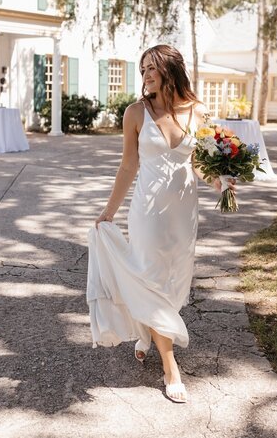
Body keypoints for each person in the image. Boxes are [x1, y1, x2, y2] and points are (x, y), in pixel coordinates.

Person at [87, 44, 234, 403]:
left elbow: (200, 164)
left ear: (171, 70)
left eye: (152, 69)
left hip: (184, 213)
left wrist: (221, 182)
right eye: (143, 71)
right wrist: (108, 212)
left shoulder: (197, 111)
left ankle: (146, 333)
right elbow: (128, 166)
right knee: (152, 278)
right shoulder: (136, 112)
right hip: (147, 212)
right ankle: (170, 365)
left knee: (174, 282)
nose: (146, 76)